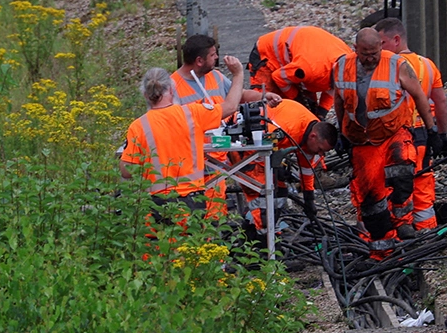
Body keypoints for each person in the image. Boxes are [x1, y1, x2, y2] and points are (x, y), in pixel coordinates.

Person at [331, 28, 435, 259]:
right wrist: (342, 133)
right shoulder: (341, 67)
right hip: (362, 140)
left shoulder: (396, 65)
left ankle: (403, 221)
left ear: (381, 46)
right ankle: (382, 248)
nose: (370, 58)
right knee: (371, 198)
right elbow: (339, 100)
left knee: (402, 170)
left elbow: (419, 95)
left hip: (393, 132)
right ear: (356, 49)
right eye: (365, 53)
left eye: (374, 53)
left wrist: (433, 130)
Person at [119, 57, 246, 217]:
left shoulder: (138, 126)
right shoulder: (193, 113)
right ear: (172, 90)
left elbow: (127, 171)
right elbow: (230, 106)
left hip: (157, 204)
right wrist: (238, 74)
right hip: (193, 200)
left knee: (163, 242)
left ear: (145, 94)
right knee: (195, 241)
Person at [171, 34, 281, 217]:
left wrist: (263, 96)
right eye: (213, 55)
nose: (217, 58)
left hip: (224, 151)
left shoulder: (215, 77)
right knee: (203, 206)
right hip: (198, 159)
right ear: (199, 60)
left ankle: (259, 226)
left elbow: (238, 94)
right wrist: (238, 73)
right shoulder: (173, 87)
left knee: (253, 177)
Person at [374, 16, 447, 233]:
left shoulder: (386, 67)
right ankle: (426, 235)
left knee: (395, 187)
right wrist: (441, 134)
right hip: (423, 136)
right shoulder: (427, 66)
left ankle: (399, 237)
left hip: (397, 138)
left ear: (396, 40)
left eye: (381, 43)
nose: (378, 49)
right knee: (422, 186)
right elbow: (441, 102)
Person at [236, 99, 338, 235]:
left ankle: (267, 231)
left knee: (280, 192)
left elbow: (307, 169)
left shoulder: (312, 136)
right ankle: (260, 237)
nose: (320, 154)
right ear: (313, 137)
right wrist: (275, 168)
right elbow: (258, 147)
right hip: (247, 145)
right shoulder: (288, 129)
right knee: (261, 197)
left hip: (264, 148)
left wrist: (309, 199)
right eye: (320, 150)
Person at [247, 26, 349, 114]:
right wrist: (297, 99)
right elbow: (279, 77)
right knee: (267, 105)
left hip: (298, 62)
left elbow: (333, 89)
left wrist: (321, 113)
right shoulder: (310, 69)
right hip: (267, 55)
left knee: (310, 109)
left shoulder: (348, 62)